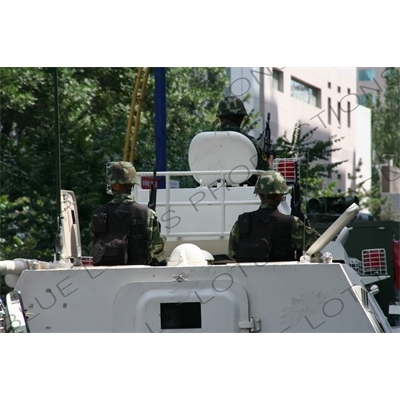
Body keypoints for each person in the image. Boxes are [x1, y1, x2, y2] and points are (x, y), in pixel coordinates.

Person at [228, 170, 321, 262]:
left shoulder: (242, 222)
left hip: (247, 276)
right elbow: (317, 242)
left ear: (259, 195)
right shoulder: (292, 223)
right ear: (280, 196)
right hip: (282, 276)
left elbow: (232, 253)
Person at [89, 161, 166, 266]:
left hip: (103, 273)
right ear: (132, 184)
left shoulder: (98, 214)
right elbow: (157, 247)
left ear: (114, 185)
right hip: (138, 271)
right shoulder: (148, 214)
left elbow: (93, 242)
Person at [216, 96, 274, 172]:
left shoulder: (206, 142)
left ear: (221, 118)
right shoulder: (252, 143)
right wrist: (270, 159)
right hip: (247, 184)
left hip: (210, 184)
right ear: (242, 119)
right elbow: (267, 174)